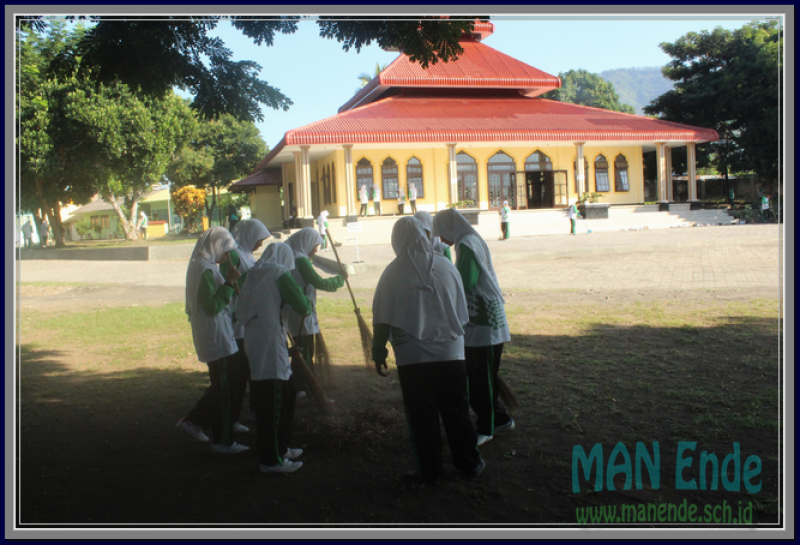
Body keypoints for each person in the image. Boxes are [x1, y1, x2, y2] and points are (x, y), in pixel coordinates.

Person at [372, 217, 485, 484]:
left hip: (414, 359)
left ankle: (430, 471)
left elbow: (382, 318)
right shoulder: (446, 266)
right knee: (457, 410)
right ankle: (470, 463)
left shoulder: (392, 272)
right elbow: (461, 306)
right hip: (451, 354)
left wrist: (378, 352)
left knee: (422, 417)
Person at [433, 209, 514, 447]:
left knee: (481, 380)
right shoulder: (469, 240)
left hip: (485, 323)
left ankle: (487, 428)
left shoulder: (466, 244)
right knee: (481, 377)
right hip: (482, 321)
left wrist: (443, 282)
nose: (443, 240)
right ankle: (500, 419)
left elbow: (466, 281)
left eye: (442, 234)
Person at [236, 242, 312, 473]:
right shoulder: (280, 274)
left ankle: (279, 447)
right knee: (273, 403)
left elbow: (242, 311)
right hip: (270, 346)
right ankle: (271, 461)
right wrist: (304, 296)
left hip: (257, 342)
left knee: (283, 394)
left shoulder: (251, 274)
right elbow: (303, 307)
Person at [177, 226, 249, 454]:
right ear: (216, 246)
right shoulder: (203, 268)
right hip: (215, 335)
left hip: (220, 333)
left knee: (226, 384)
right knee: (224, 386)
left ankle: (205, 423)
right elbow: (211, 306)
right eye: (226, 251)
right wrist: (228, 284)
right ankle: (220, 439)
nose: (228, 257)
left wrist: (230, 285)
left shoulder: (206, 265)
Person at [284, 228, 346, 395]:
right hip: (301, 311)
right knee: (303, 349)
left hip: (298, 308)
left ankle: (302, 384)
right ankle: (302, 386)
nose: (316, 250)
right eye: (315, 245)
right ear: (306, 243)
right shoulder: (300, 259)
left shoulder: (294, 255)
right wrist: (340, 279)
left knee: (302, 347)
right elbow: (318, 282)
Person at [225, 219, 272, 428]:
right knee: (240, 372)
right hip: (238, 320)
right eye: (258, 240)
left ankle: (253, 409)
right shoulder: (233, 255)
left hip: (249, 319)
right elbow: (234, 282)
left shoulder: (246, 254)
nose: (260, 245)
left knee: (250, 369)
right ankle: (233, 417)